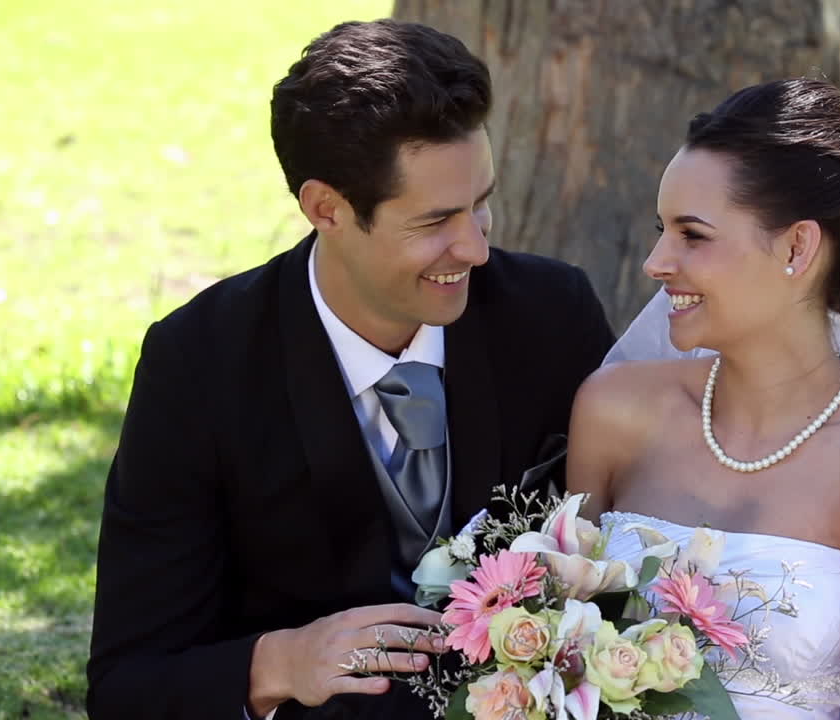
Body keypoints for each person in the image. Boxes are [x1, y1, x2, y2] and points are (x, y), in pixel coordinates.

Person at [84, 19, 616, 720]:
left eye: (481, 205)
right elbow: (129, 684)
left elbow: (616, 573)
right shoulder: (201, 364)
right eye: (435, 223)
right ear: (325, 209)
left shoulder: (550, 316)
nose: (476, 248)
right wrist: (276, 663)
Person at [567, 78, 840, 719]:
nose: (656, 262)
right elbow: (559, 658)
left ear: (798, 246)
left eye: (692, 235)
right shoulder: (614, 411)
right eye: (661, 230)